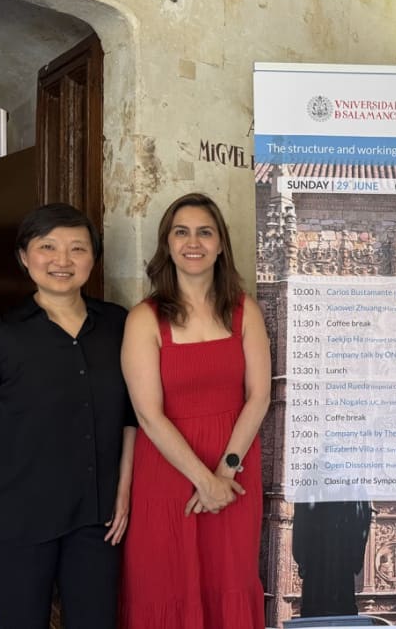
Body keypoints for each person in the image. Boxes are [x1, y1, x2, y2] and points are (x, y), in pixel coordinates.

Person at [0, 204, 136, 629]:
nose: (62, 261)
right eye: (47, 246)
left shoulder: (118, 325)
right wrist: (0, 492)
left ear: (93, 257)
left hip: (97, 521)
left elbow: (130, 415)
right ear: (23, 256)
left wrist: (122, 492)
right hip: (16, 523)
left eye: (77, 248)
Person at [120, 192, 271, 628]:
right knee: (164, 582)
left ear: (221, 243)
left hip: (235, 471)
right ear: (167, 243)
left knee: (229, 577)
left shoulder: (245, 311)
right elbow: (148, 415)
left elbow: (258, 396)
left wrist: (223, 475)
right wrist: (203, 480)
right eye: (181, 232)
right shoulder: (144, 319)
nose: (193, 242)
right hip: (167, 470)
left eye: (205, 232)